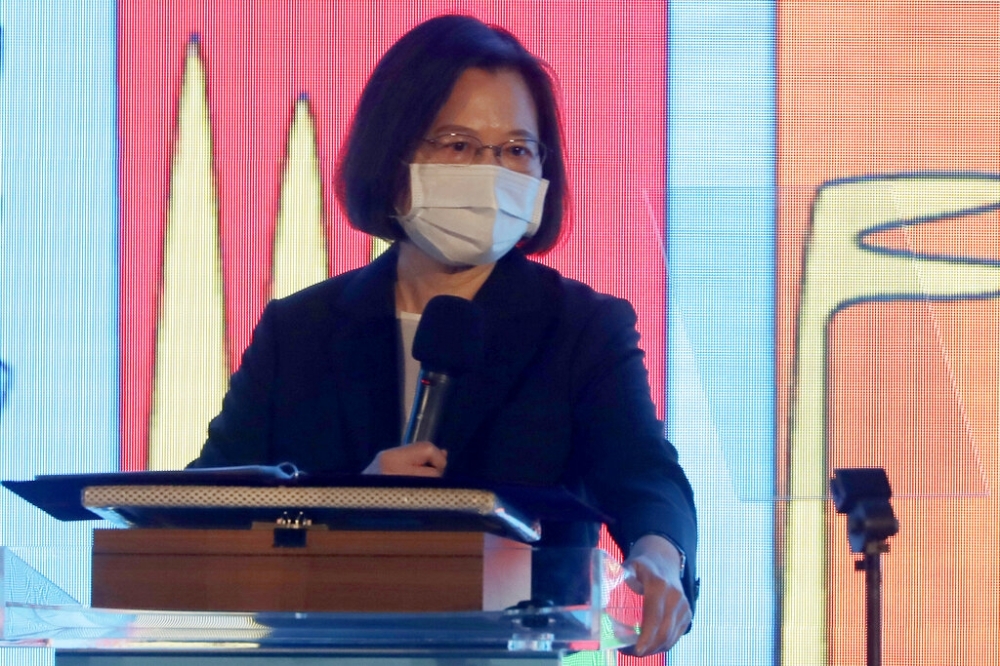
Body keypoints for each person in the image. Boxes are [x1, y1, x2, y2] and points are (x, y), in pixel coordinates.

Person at [189, 14, 697, 654]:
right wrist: (348, 499)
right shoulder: (301, 330)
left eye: (516, 149)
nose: (490, 171)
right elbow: (206, 502)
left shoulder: (581, 327)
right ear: (393, 157)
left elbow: (644, 475)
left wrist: (660, 553)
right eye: (457, 144)